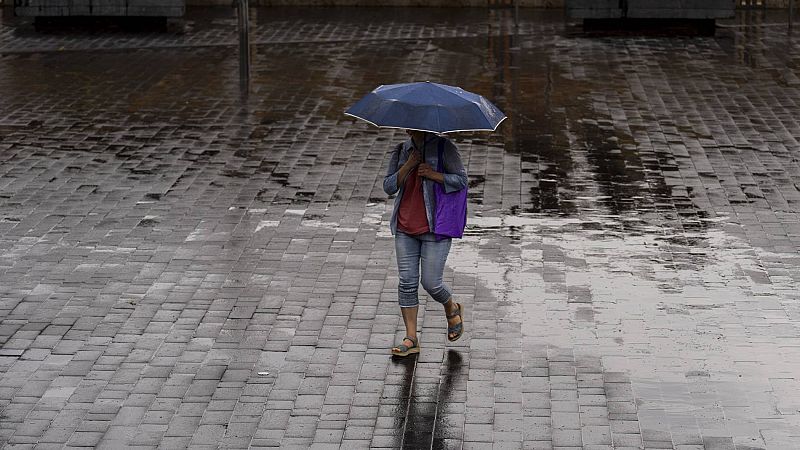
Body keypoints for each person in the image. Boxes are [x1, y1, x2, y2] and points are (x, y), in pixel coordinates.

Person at [383, 129, 468, 357]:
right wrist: (408, 165)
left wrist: (434, 174)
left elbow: (461, 180)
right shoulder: (402, 150)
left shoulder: (444, 148)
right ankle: (411, 338)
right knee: (407, 283)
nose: (411, 128)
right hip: (405, 227)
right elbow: (389, 187)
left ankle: (451, 307)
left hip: (435, 228)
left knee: (431, 283)